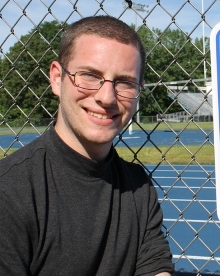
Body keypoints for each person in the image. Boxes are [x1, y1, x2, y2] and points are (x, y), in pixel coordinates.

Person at [0, 16, 174, 275]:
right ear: (57, 78)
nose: (107, 97)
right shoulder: (10, 191)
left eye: (124, 82)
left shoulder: (139, 187)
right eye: (90, 76)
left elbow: (155, 268)